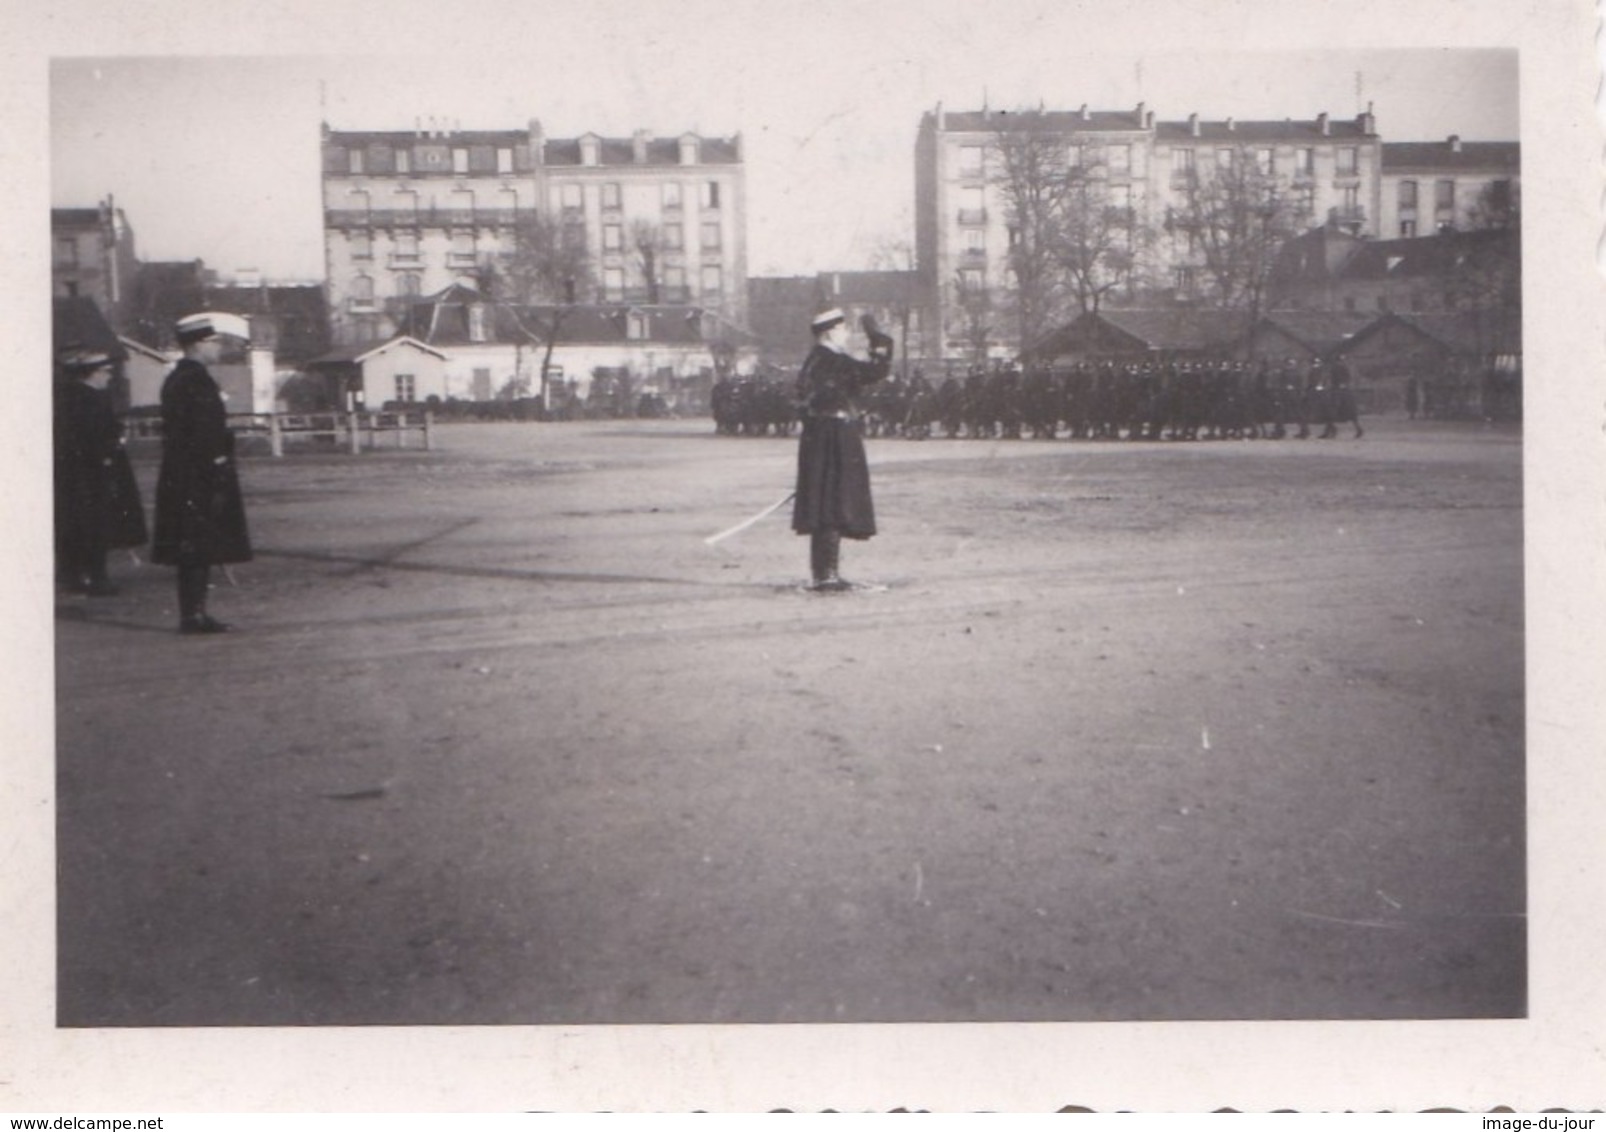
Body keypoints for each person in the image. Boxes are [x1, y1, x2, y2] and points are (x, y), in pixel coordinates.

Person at [150, 314, 252, 634]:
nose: (219, 347)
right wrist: (220, 460)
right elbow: (204, 430)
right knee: (198, 543)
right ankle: (193, 615)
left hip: (182, 471)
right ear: (198, 344)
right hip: (200, 473)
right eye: (214, 342)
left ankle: (193, 613)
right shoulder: (197, 380)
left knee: (192, 544)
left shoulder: (178, 378)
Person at [790, 308, 893, 591]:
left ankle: (825, 573)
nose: (847, 335)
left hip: (822, 438)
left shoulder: (817, 361)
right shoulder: (831, 360)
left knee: (827, 503)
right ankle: (827, 576)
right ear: (830, 332)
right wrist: (880, 341)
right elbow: (874, 371)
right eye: (843, 329)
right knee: (834, 503)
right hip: (834, 437)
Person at [54, 348, 147, 596]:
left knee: (81, 523)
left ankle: (75, 574)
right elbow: (93, 437)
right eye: (105, 371)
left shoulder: (74, 396)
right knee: (96, 523)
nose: (109, 376)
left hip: (83, 471)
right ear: (91, 373)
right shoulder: (90, 399)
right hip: (94, 471)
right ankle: (96, 576)